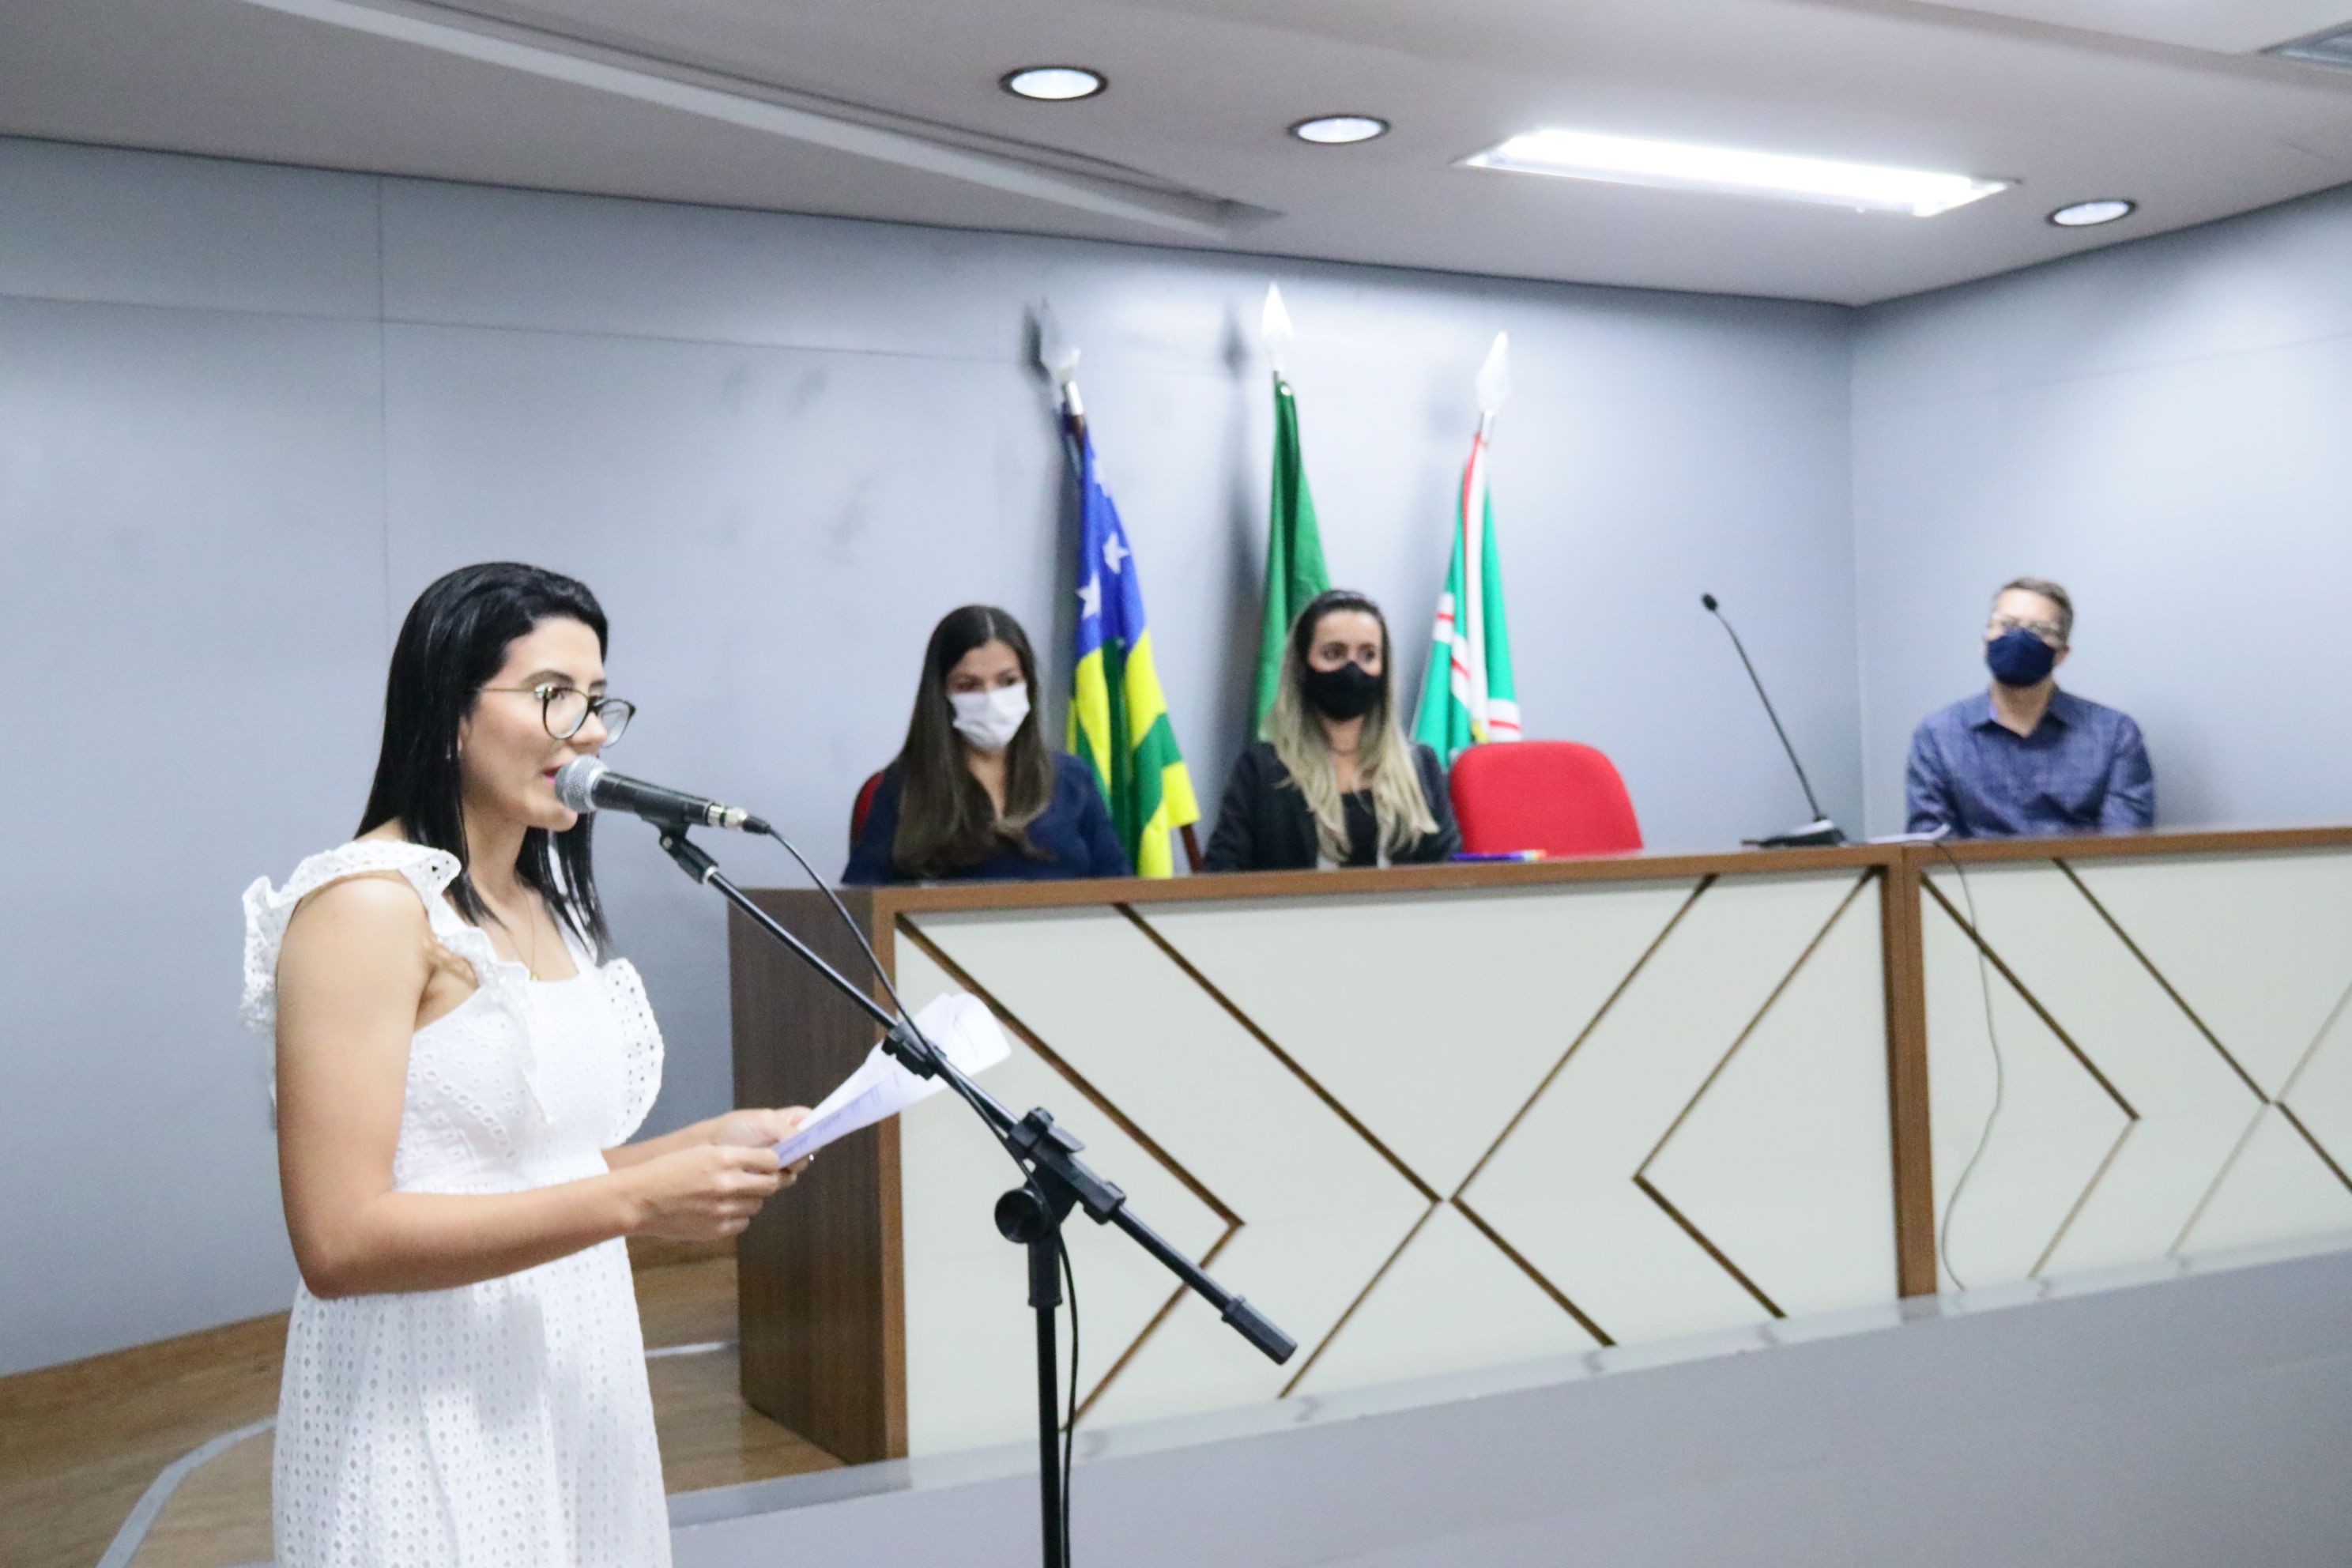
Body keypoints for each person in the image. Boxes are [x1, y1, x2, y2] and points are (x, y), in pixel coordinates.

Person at [241, 563, 811, 1568]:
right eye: (553, 695)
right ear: (450, 713)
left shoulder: (546, 903)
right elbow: (338, 1240)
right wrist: (640, 1203)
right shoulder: (367, 906)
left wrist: (701, 1150)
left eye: (598, 701)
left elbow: (533, 1168)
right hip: (423, 1396)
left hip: (573, 1369)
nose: (587, 731)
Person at [844, 604, 1131, 884]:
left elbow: (1121, 890)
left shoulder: (1073, 778)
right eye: (968, 685)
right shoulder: (906, 785)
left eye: (1008, 682)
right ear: (942, 695)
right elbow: (862, 900)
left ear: (1028, 685)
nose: (992, 699)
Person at [1206, 588, 1460, 871]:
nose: (1352, 668)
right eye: (1333, 653)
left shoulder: (1420, 767)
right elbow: (1221, 876)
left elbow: (1451, 873)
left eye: (1368, 655)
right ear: (1302, 667)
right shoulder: (1261, 772)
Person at [1905, 576, 2154, 839]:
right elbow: (1932, 847)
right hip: (1976, 868)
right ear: (1984, 641)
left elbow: (2123, 846)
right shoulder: (1938, 736)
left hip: (2083, 867)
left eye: (2039, 629)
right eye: (2007, 624)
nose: (2019, 637)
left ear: (2062, 653)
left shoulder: (2114, 734)